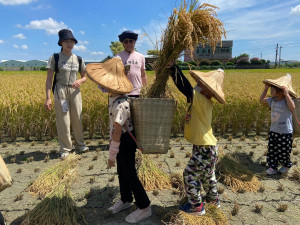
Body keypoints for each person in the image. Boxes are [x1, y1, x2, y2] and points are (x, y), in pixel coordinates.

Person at [85, 57, 151, 224]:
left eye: (105, 83)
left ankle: (145, 207)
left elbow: (116, 132)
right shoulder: (114, 98)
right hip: (120, 140)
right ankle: (126, 199)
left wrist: (111, 155)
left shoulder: (120, 104)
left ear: (112, 85)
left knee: (130, 174)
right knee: (122, 172)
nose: (102, 86)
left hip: (125, 142)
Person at [169, 64, 225, 215]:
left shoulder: (200, 98)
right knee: (207, 175)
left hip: (205, 147)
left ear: (209, 91)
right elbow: (188, 89)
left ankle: (196, 207)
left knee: (189, 174)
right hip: (207, 146)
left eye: (201, 84)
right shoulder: (203, 100)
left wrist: (173, 69)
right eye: (199, 82)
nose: (197, 85)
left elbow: (184, 87)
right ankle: (213, 201)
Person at [44, 29, 88, 158]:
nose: (70, 44)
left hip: (75, 91)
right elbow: (49, 79)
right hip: (60, 90)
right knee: (63, 119)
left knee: (77, 118)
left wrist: (80, 81)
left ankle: (80, 145)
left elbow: (85, 76)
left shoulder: (78, 59)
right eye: (66, 41)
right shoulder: (55, 58)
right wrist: (48, 98)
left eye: (72, 41)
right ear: (61, 43)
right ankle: (65, 148)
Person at [260, 74, 297, 175]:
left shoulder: (286, 100)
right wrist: (265, 89)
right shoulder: (272, 100)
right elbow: (261, 99)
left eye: (273, 89)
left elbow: (292, 107)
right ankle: (273, 167)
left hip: (285, 132)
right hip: (274, 130)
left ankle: (286, 165)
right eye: (271, 89)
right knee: (272, 151)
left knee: (284, 151)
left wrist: (287, 93)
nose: (271, 91)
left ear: (280, 92)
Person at [116, 30, 147, 97]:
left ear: (134, 42)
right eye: (126, 41)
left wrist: (145, 89)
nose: (128, 44)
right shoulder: (118, 57)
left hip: (138, 92)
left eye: (131, 41)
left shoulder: (141, 56)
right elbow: (114, 75)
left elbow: (143, 75)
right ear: (122, 43)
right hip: (123, 92)